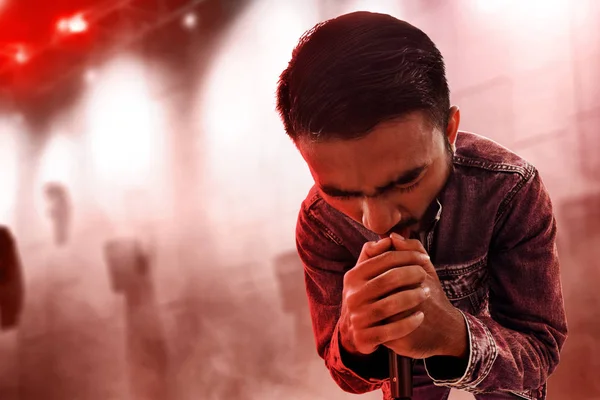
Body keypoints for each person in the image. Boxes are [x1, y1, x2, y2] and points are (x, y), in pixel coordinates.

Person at [275, 11, 567, 400]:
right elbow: (348, 376)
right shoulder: (319, 223)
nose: (377, 220)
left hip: (499, 363)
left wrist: (452, 335)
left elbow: (538, 350)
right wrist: (352, 340)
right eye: (342, 193)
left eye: (407, 180)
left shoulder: (508, 187)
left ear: (449, 130)